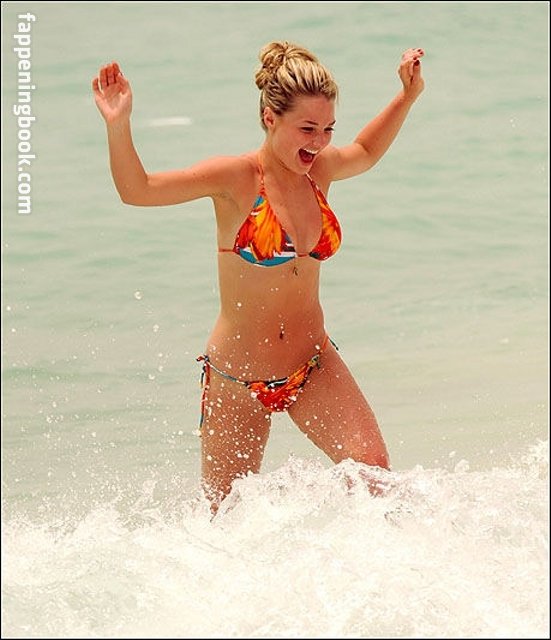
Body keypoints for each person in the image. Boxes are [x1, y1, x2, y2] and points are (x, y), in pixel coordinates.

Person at [93, 41, 425, 512]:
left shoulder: (320, 172)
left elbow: (367, 150)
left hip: (312, 364)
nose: (319, 142)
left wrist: (406, 97)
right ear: (270, 117)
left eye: (328, 128)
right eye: (307, 128)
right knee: (225, 516)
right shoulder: (236, 179)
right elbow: (138, 190)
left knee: (375, 477)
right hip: (237, 379)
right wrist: (118, 124)